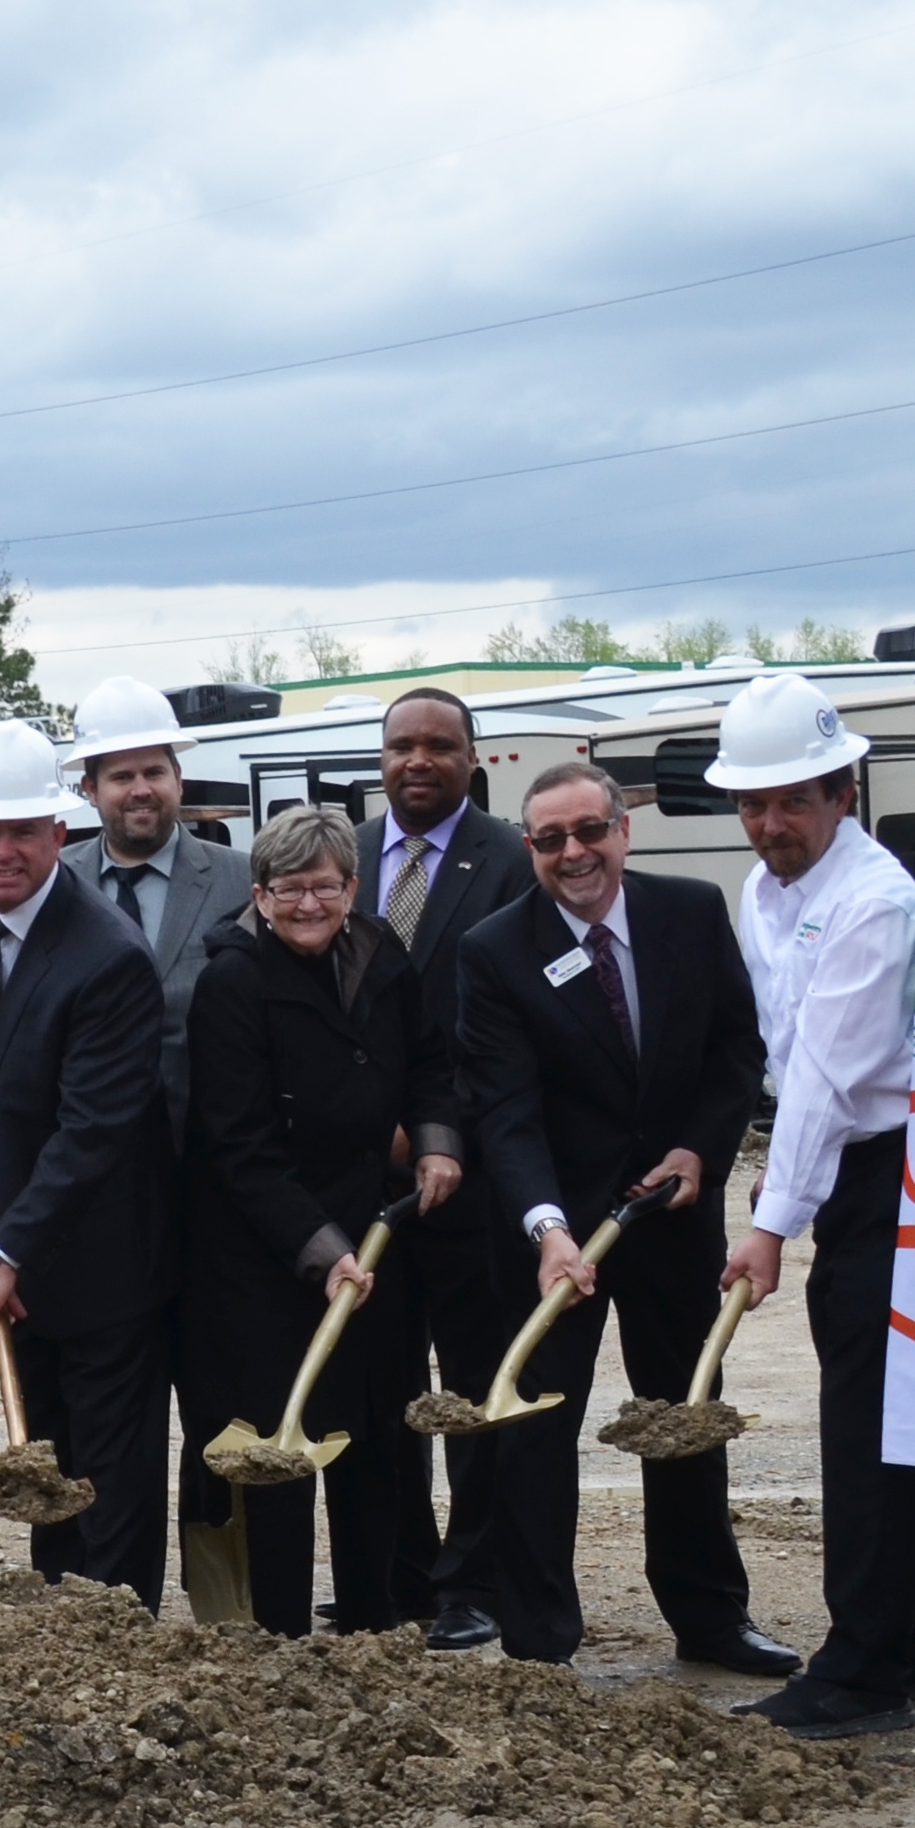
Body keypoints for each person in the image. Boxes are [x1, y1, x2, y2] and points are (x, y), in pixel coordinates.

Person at [447, 761, 801, 1673]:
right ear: (528, 848)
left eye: (589, 831)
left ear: (622, 830)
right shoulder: (492, 950)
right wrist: (546, 1227)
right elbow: (505, 1111)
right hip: (552, 1238)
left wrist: (699, 1149)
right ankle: (537, 1641)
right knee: (533, 1425)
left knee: (683, 1415)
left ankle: (711, 1620)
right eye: (551, 839)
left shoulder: (688, 911)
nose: (574, 854)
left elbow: (735, 1049)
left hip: (675, 1218)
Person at [706, 675, 915, 1736]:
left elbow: (825, 1076)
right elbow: (785, 1062)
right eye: (754, 804)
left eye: (793, 801)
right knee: (877, 1405)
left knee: (867, 1421)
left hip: (896, 1174)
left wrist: (773, 1223)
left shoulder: (873, 903)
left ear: (843, 792)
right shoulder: (771, 894)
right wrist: (785, 1179)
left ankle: (863, 1669)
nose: (771, 823)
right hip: (844, 1172)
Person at [177, 805, 462, 1634]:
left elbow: (430, 1063)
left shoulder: (382, 956)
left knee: (375, 1439)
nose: (309, 906)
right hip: (269, 1259)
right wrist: (323, 1252)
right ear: (259, 897)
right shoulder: (230, 983)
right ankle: (278, 1632)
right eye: (290, 890)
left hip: (379, 1239)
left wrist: (437, 1145)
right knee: (282, 1446)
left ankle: (375, 1620)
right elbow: (239, 1148)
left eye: (325, 888)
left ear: (353, 887)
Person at [0, 717, 177, 1604]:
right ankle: (60, 1631)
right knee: (48, 1458)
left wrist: (5, 1253)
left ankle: (117, 1628)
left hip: (101, 1255)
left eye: (20, 832)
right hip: (16, 1242)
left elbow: (92, 1130)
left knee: (108, 1467)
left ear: (56, 832)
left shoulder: (105, 956)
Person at [360, 686, 540, 1650]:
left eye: (439, 747)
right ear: (379, 760)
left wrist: (439, 1132)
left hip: (470, 1179)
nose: (417, 763)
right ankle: (402, 1573)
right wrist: (374, 1129)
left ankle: (475, 1578)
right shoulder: (341, 858)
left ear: (473, 759)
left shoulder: (514, 861)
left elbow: (512, 1031)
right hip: (367, 1179)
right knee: (382, 1381)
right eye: (400, 748)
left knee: (475, 1385)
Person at [62, 676, 254, 1111]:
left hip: (209, 1150)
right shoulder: (59, 885)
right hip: (93, 1150)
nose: (141, 790)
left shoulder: (242, 881)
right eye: (122, 776)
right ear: (90, 790)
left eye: (154, 772)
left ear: (179, 779)